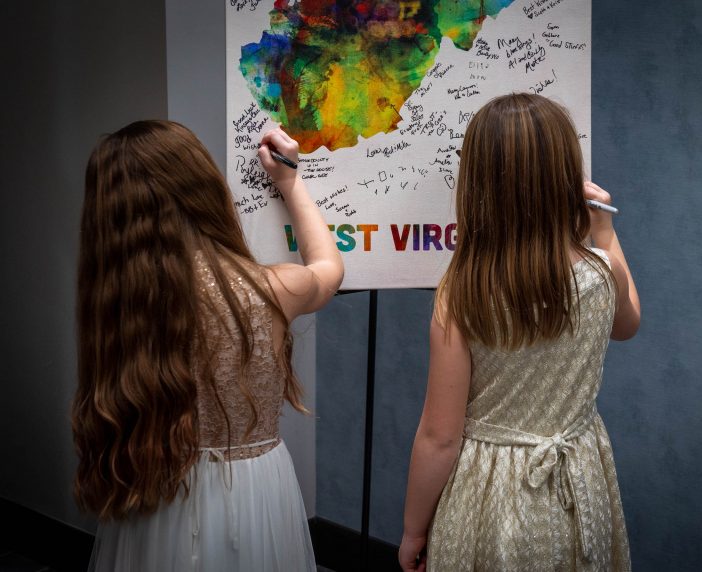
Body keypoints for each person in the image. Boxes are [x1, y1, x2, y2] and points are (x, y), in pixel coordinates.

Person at [72, 121, 343, 571]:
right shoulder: (269, 289)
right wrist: (290, 180)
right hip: (253, 493)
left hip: (155, 489)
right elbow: (328, 267)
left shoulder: (118, 305)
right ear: (203, 188)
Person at [399, 93, 641, 572]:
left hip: (491, 494)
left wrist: (413, 530)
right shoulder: (601, 271)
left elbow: (440, 437)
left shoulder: (463, 295)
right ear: (567, 175)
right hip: (579, 479)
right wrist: (604, 232)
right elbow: (627, 325)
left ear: (479, 182)